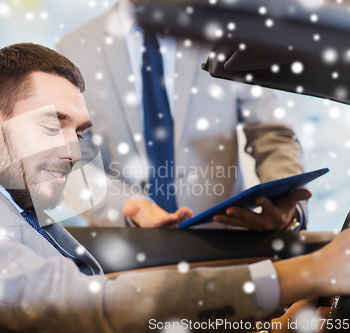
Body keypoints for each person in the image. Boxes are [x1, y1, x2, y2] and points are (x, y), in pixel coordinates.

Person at [0, 43, 350, 332]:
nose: (74, 154)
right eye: (54, 125)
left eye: (80, 132)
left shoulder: (13, 204)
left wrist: (270, 324)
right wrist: (304, 274)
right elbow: (82, 307)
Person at [56, 0, 310, 229]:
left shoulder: (229, 35)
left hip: (224, 243)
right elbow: (70, 162)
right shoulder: (73, 48)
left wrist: (285, 205)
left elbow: (271, 133)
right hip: (127, 247)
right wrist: (130, 206)